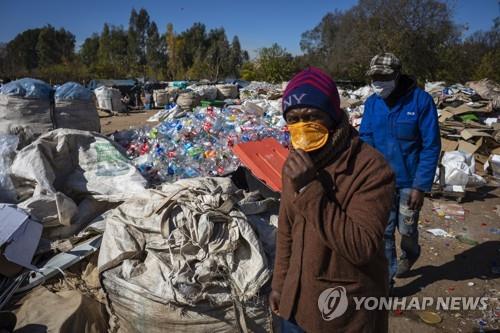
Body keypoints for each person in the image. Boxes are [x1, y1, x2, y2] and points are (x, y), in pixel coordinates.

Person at [269, 67, 395, 332]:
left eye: (313, 116)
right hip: (293, 305)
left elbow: (361, 246)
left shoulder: (370, 168)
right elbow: (286, 232)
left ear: (334, 115)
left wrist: (309, 188)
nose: (303, 127)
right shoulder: (293, 163)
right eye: (294, 119)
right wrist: (280, 286)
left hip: (341, 312)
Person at [359, 53, 441, 289]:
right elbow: (366, 139)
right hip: (381, 181)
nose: (377, 82)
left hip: (409, 182)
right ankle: (387, 280)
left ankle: (411, 252)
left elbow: (430, 145)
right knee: (383, 232)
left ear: (397, 74)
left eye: (383, 77)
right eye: (373, 77)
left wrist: (420, 186)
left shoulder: (420, 101)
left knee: (407, 228)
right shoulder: (372, 104)